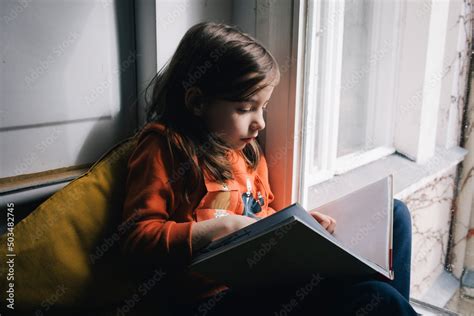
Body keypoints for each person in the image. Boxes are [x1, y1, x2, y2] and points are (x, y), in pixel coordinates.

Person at [120, 21, 417, 315]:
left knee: (395, 216)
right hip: (208, 300)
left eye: (263, 108)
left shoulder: (247, 152)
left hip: (266, 284)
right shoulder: (165, 146)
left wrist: (300, 227)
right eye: (245, 109)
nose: (260, 123)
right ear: (197, 102)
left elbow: (260, 214)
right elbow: (137, 238)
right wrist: (219, 228)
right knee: (376, 297)